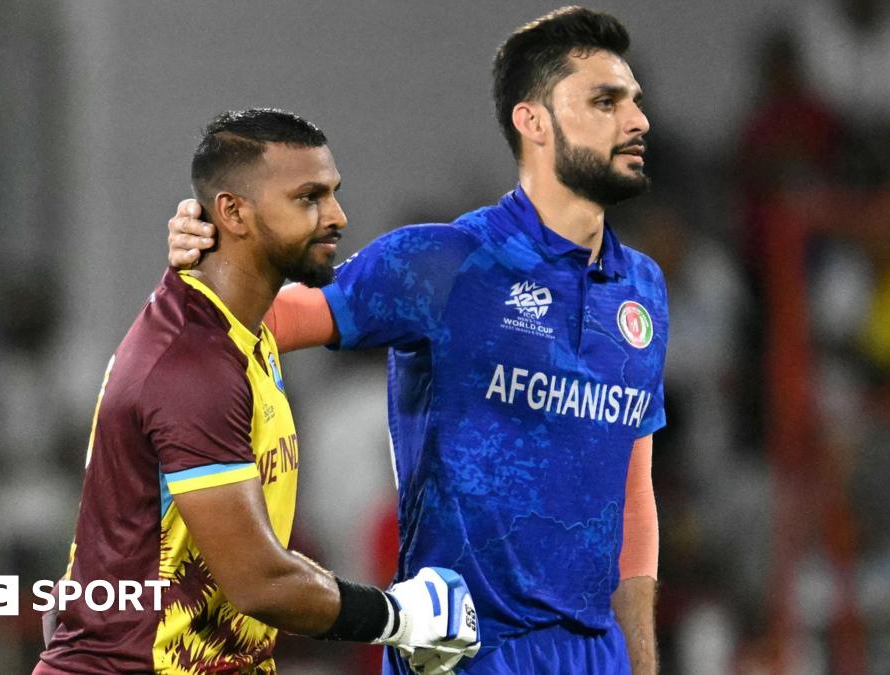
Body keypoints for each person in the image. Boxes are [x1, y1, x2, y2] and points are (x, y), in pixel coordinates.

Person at [168, 8, 664, 673]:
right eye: (606, 102)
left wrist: (641, 661)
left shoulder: (642, 291)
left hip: (595, 656)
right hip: (466, 653)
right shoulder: (445, 263)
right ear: (534, 121)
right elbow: (267, 319)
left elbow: (632, 499)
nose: (637, 121)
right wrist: (208, 270)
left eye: (633, 101)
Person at [37, 109, 479, 675]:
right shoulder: (194, 366)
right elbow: (259, 581)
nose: (337, 216)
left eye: (333, 194)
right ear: (233, 212)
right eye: (308, 197)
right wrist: (401, 616)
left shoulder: (247, 328)